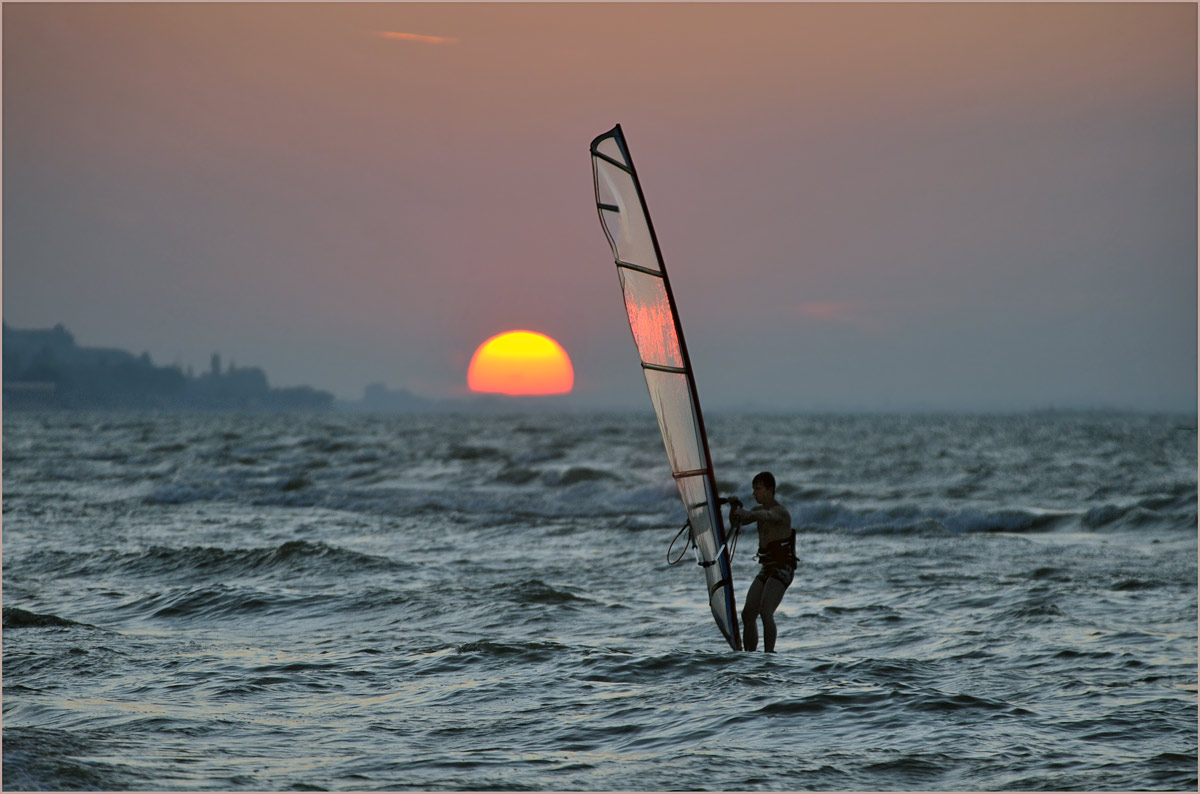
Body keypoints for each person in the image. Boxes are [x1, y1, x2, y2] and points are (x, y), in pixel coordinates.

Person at [729, 471, 795, 653]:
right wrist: (734, 508)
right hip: (767, 568)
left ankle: (768, 656)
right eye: (753, 489)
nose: (754, 494)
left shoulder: (781, 512)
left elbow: (767, 516)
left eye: (758, 489)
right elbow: (736, 523)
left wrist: (748, 514)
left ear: (770, 490)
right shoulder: (758, 512)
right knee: (748, 613)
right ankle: (750, 656)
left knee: (766, 612)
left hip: (783, 569)